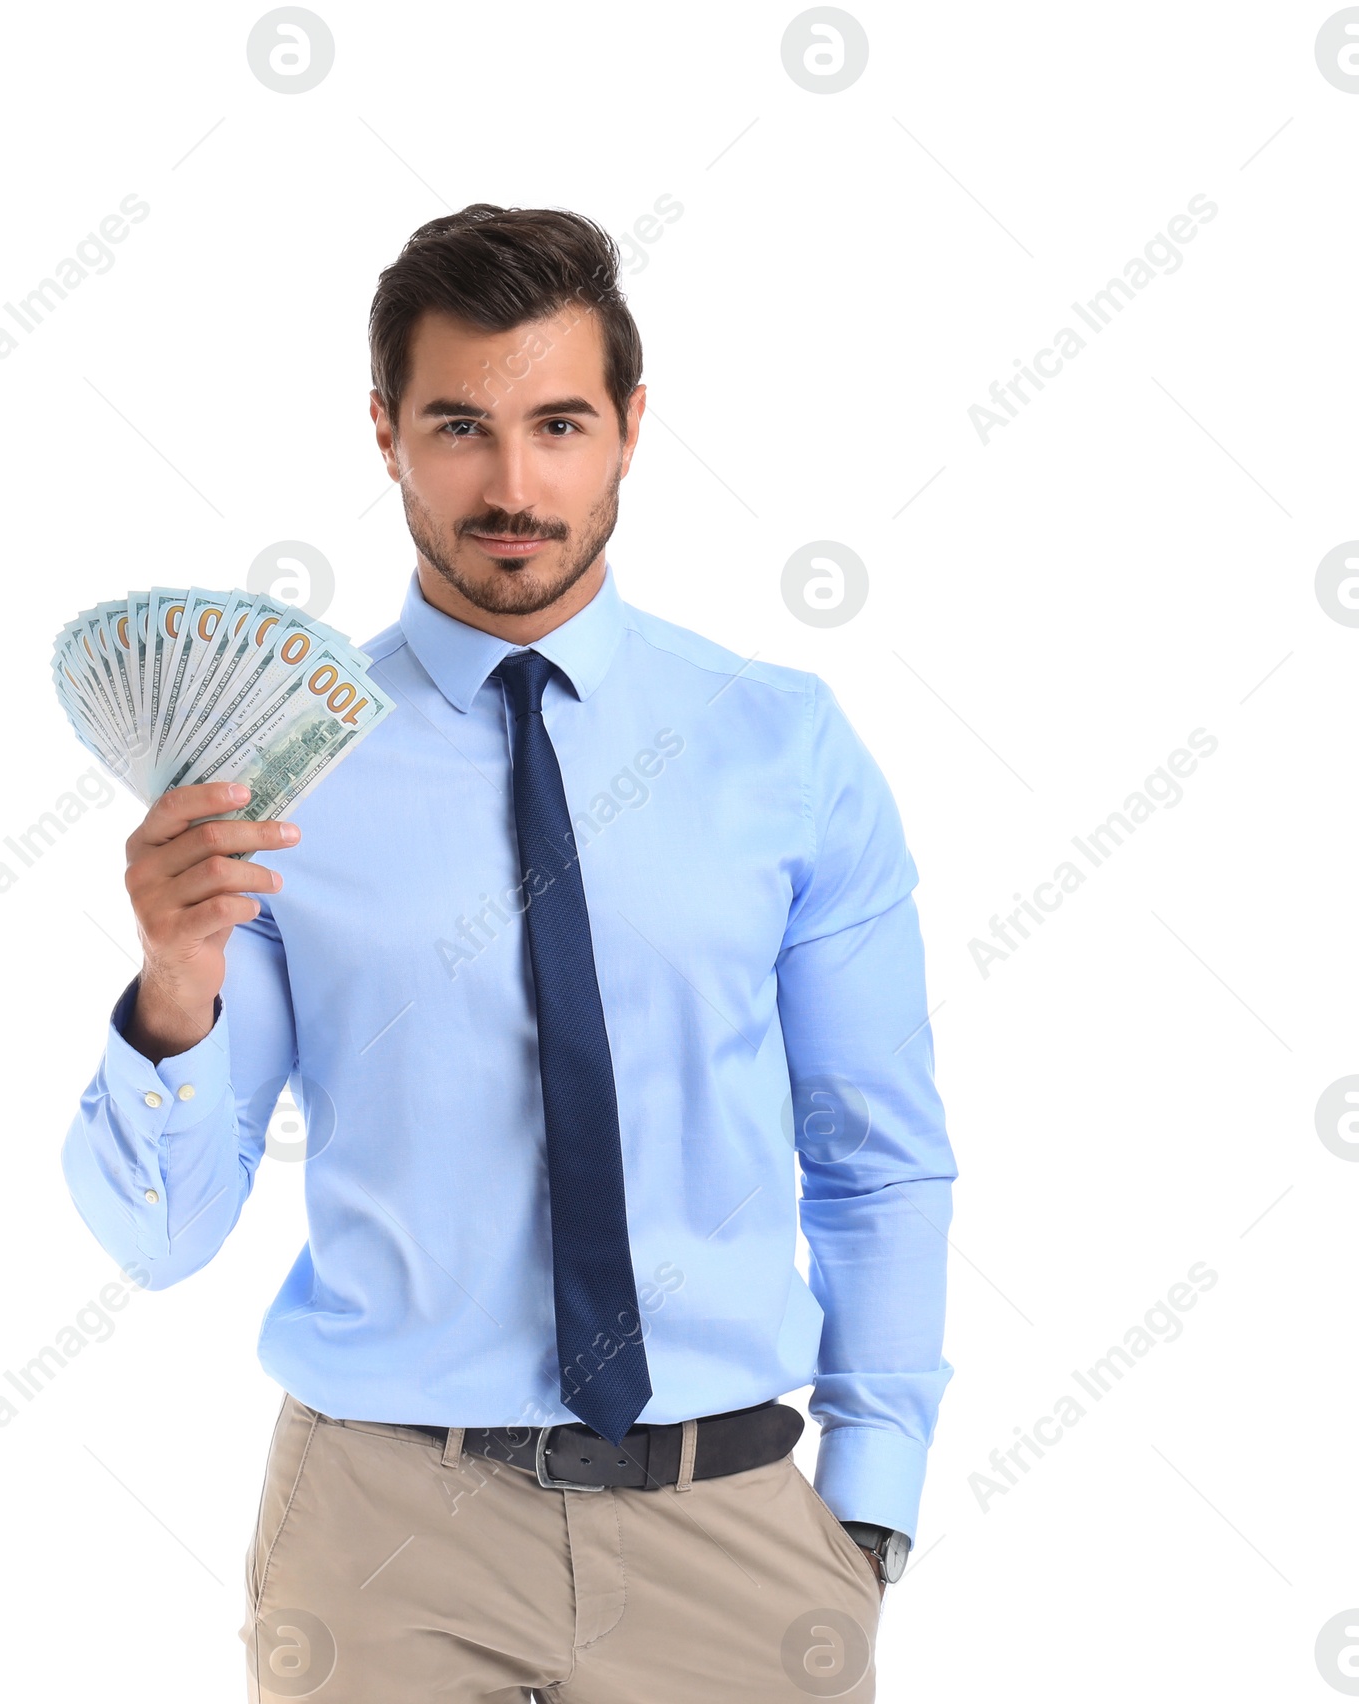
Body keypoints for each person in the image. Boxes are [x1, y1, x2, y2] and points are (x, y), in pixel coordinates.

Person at [61, 203, 957, 1703]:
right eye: (460, 426)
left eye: (559, 423)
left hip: (730, 1534)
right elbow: (162, 1242)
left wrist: (870, 1502)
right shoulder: (279, 764)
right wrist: (172, 980)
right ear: (386, 434)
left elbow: (877, 1151)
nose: (515, 484)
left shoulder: (779, 745)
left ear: (629, 429)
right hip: (383, 1543)